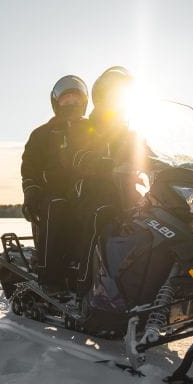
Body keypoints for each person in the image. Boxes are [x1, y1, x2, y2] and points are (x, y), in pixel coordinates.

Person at [65, 66, 143, 291]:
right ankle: (85, 286)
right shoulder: (83, 127)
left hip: (125, 192)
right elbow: (75, 155)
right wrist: (103, 163)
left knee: (159, 217)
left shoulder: (130, 134)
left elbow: (149, 155)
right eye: (115, 95)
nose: (119, 101)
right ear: (102, 96)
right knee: (101, 214)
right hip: (89, 192)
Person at [20, 75, 90, 292]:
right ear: (56, 103)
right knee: (57, 205)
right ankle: (50, 277)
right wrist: (31, 192)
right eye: (66, 100)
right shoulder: (42, 134)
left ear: (84, 102)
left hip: (86, 190)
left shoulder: (94, 130)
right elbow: (29, 167)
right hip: (51, 193)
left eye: (75, 100)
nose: (71, 104)